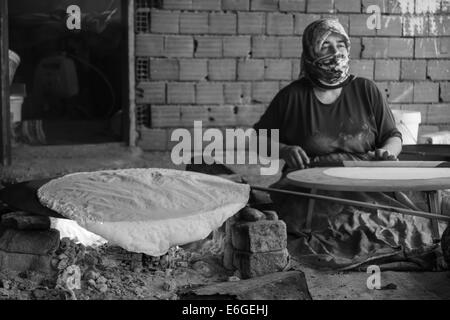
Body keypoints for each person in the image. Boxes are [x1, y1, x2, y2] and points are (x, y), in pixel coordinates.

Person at [253, 18, 445, 271]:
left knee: (411, 221)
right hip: (315, 187)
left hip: (366, 180)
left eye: (340, 44)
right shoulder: (293, 96)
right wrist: (284, 150)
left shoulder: (366, 89)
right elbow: (257, 138)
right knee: (334, 234)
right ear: (310, 52)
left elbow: (392, 135)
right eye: (325, 46)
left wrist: (387, 151)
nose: (336, 52)